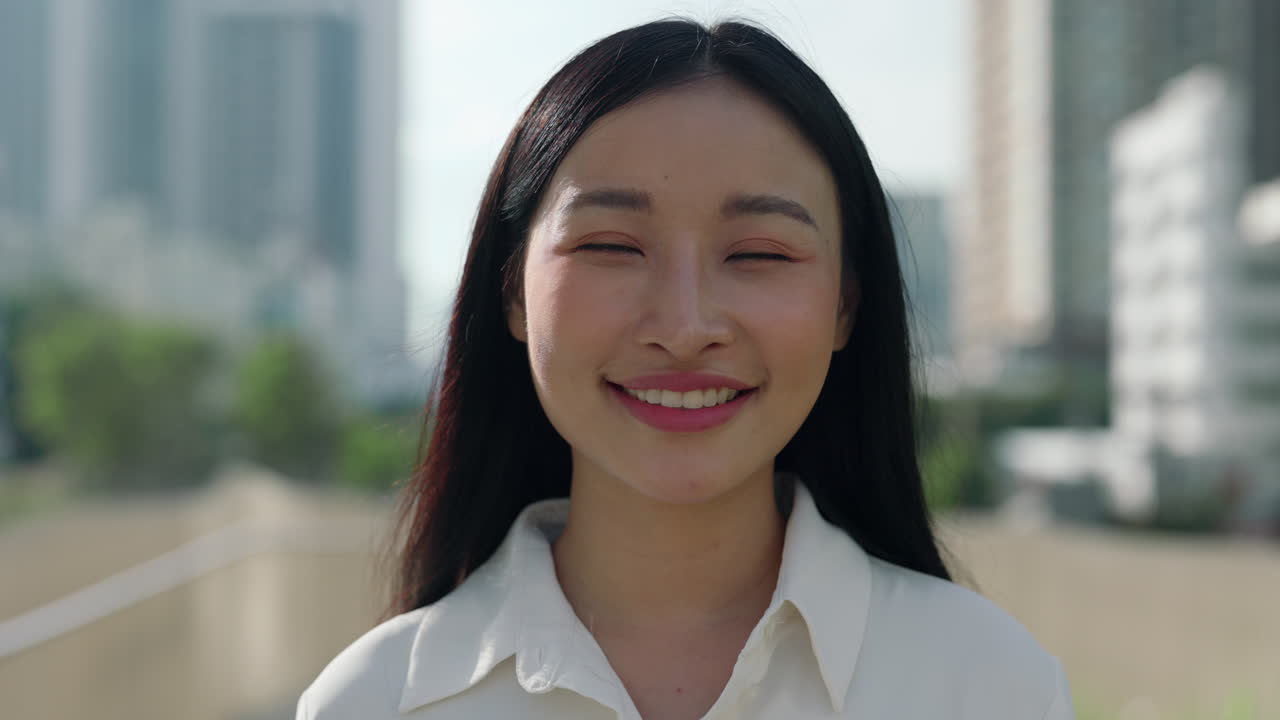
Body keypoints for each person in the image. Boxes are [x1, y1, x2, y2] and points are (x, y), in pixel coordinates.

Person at [297, 18, 1074, 720]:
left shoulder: (991, 687)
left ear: (846, 307)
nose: (684, 327)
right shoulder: (374, 703)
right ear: (512, 292)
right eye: (610, 246)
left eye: (760, 253)